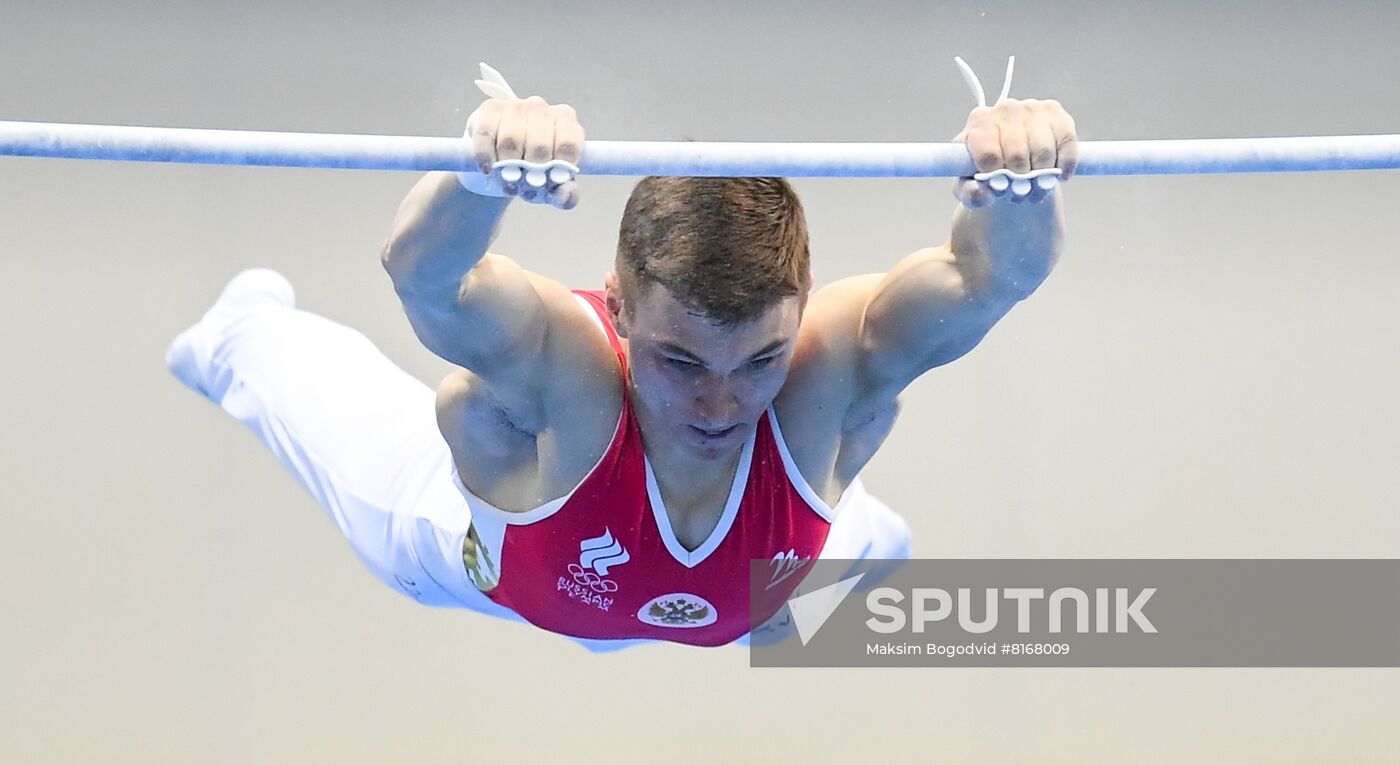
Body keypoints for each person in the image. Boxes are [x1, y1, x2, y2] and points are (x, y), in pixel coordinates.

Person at [166, 72, 1076, 652]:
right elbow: (427, 281)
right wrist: (476, 175)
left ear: (800, 308)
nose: (723, 403)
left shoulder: (826, 364)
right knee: (273, 365)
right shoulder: (567, 367)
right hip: (490, 568)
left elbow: (994, 273)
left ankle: (849, 544)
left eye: (760, 359)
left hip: (739, 587)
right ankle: (239, 331)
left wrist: (1018, 182)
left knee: (864, 539)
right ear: (617, 306)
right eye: (680, 360)